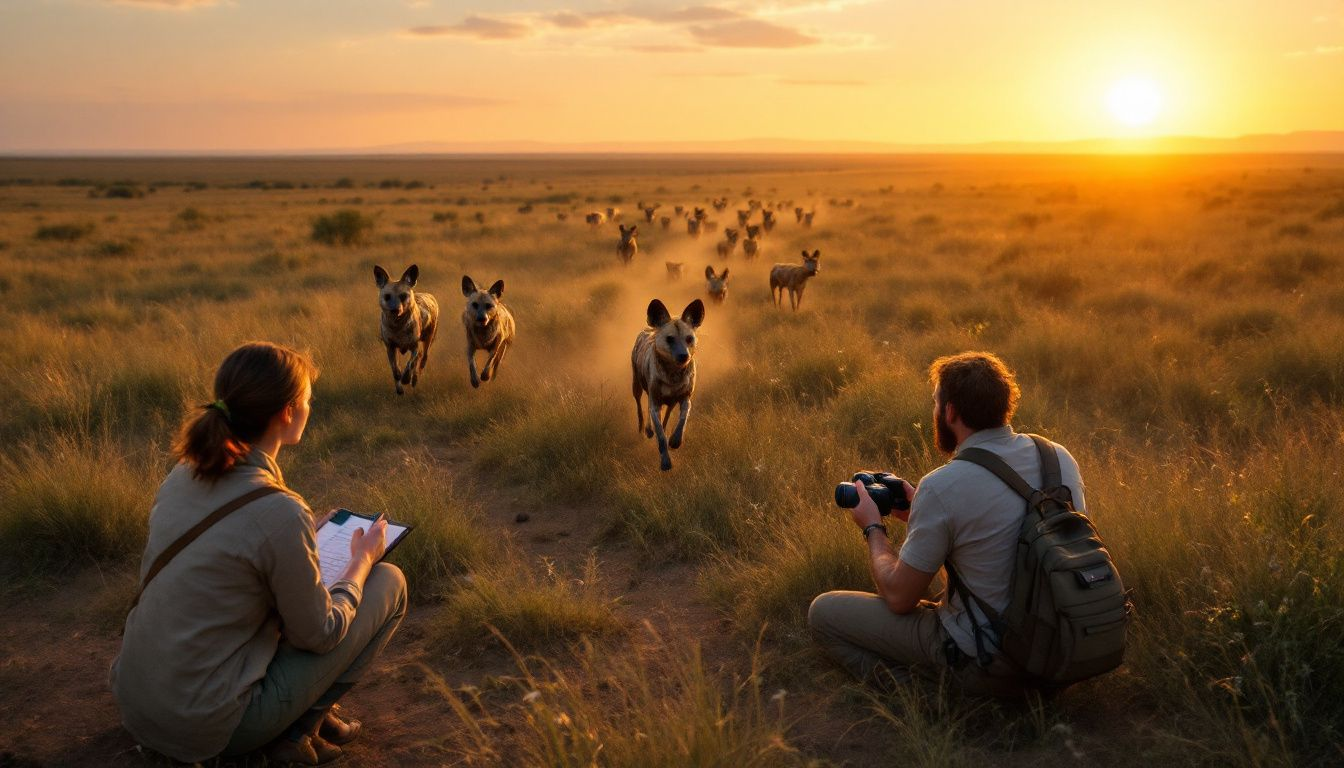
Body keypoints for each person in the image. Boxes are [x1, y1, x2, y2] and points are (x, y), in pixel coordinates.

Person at [110, 341, 408, 765]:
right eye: (308, 399)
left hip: (138, 701)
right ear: (287, 412)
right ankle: (296, 733)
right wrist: (362, 560)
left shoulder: (184, 473)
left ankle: (303, 721)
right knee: (390, 583)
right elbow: (319, 633)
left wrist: (308, 536)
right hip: (208, 728)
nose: (311, 406)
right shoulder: (279, 511)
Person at [808, 351, 1086, 694]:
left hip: (986, 658)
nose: (935, 412)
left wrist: (873, 528)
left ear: (950, 411)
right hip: (1057, 648)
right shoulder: (1058, 458)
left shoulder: (943, 485)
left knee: (823, 613)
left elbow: (900, 598)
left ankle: (932, 698)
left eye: (936, 403)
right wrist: (920, 516)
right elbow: (1001, 557)